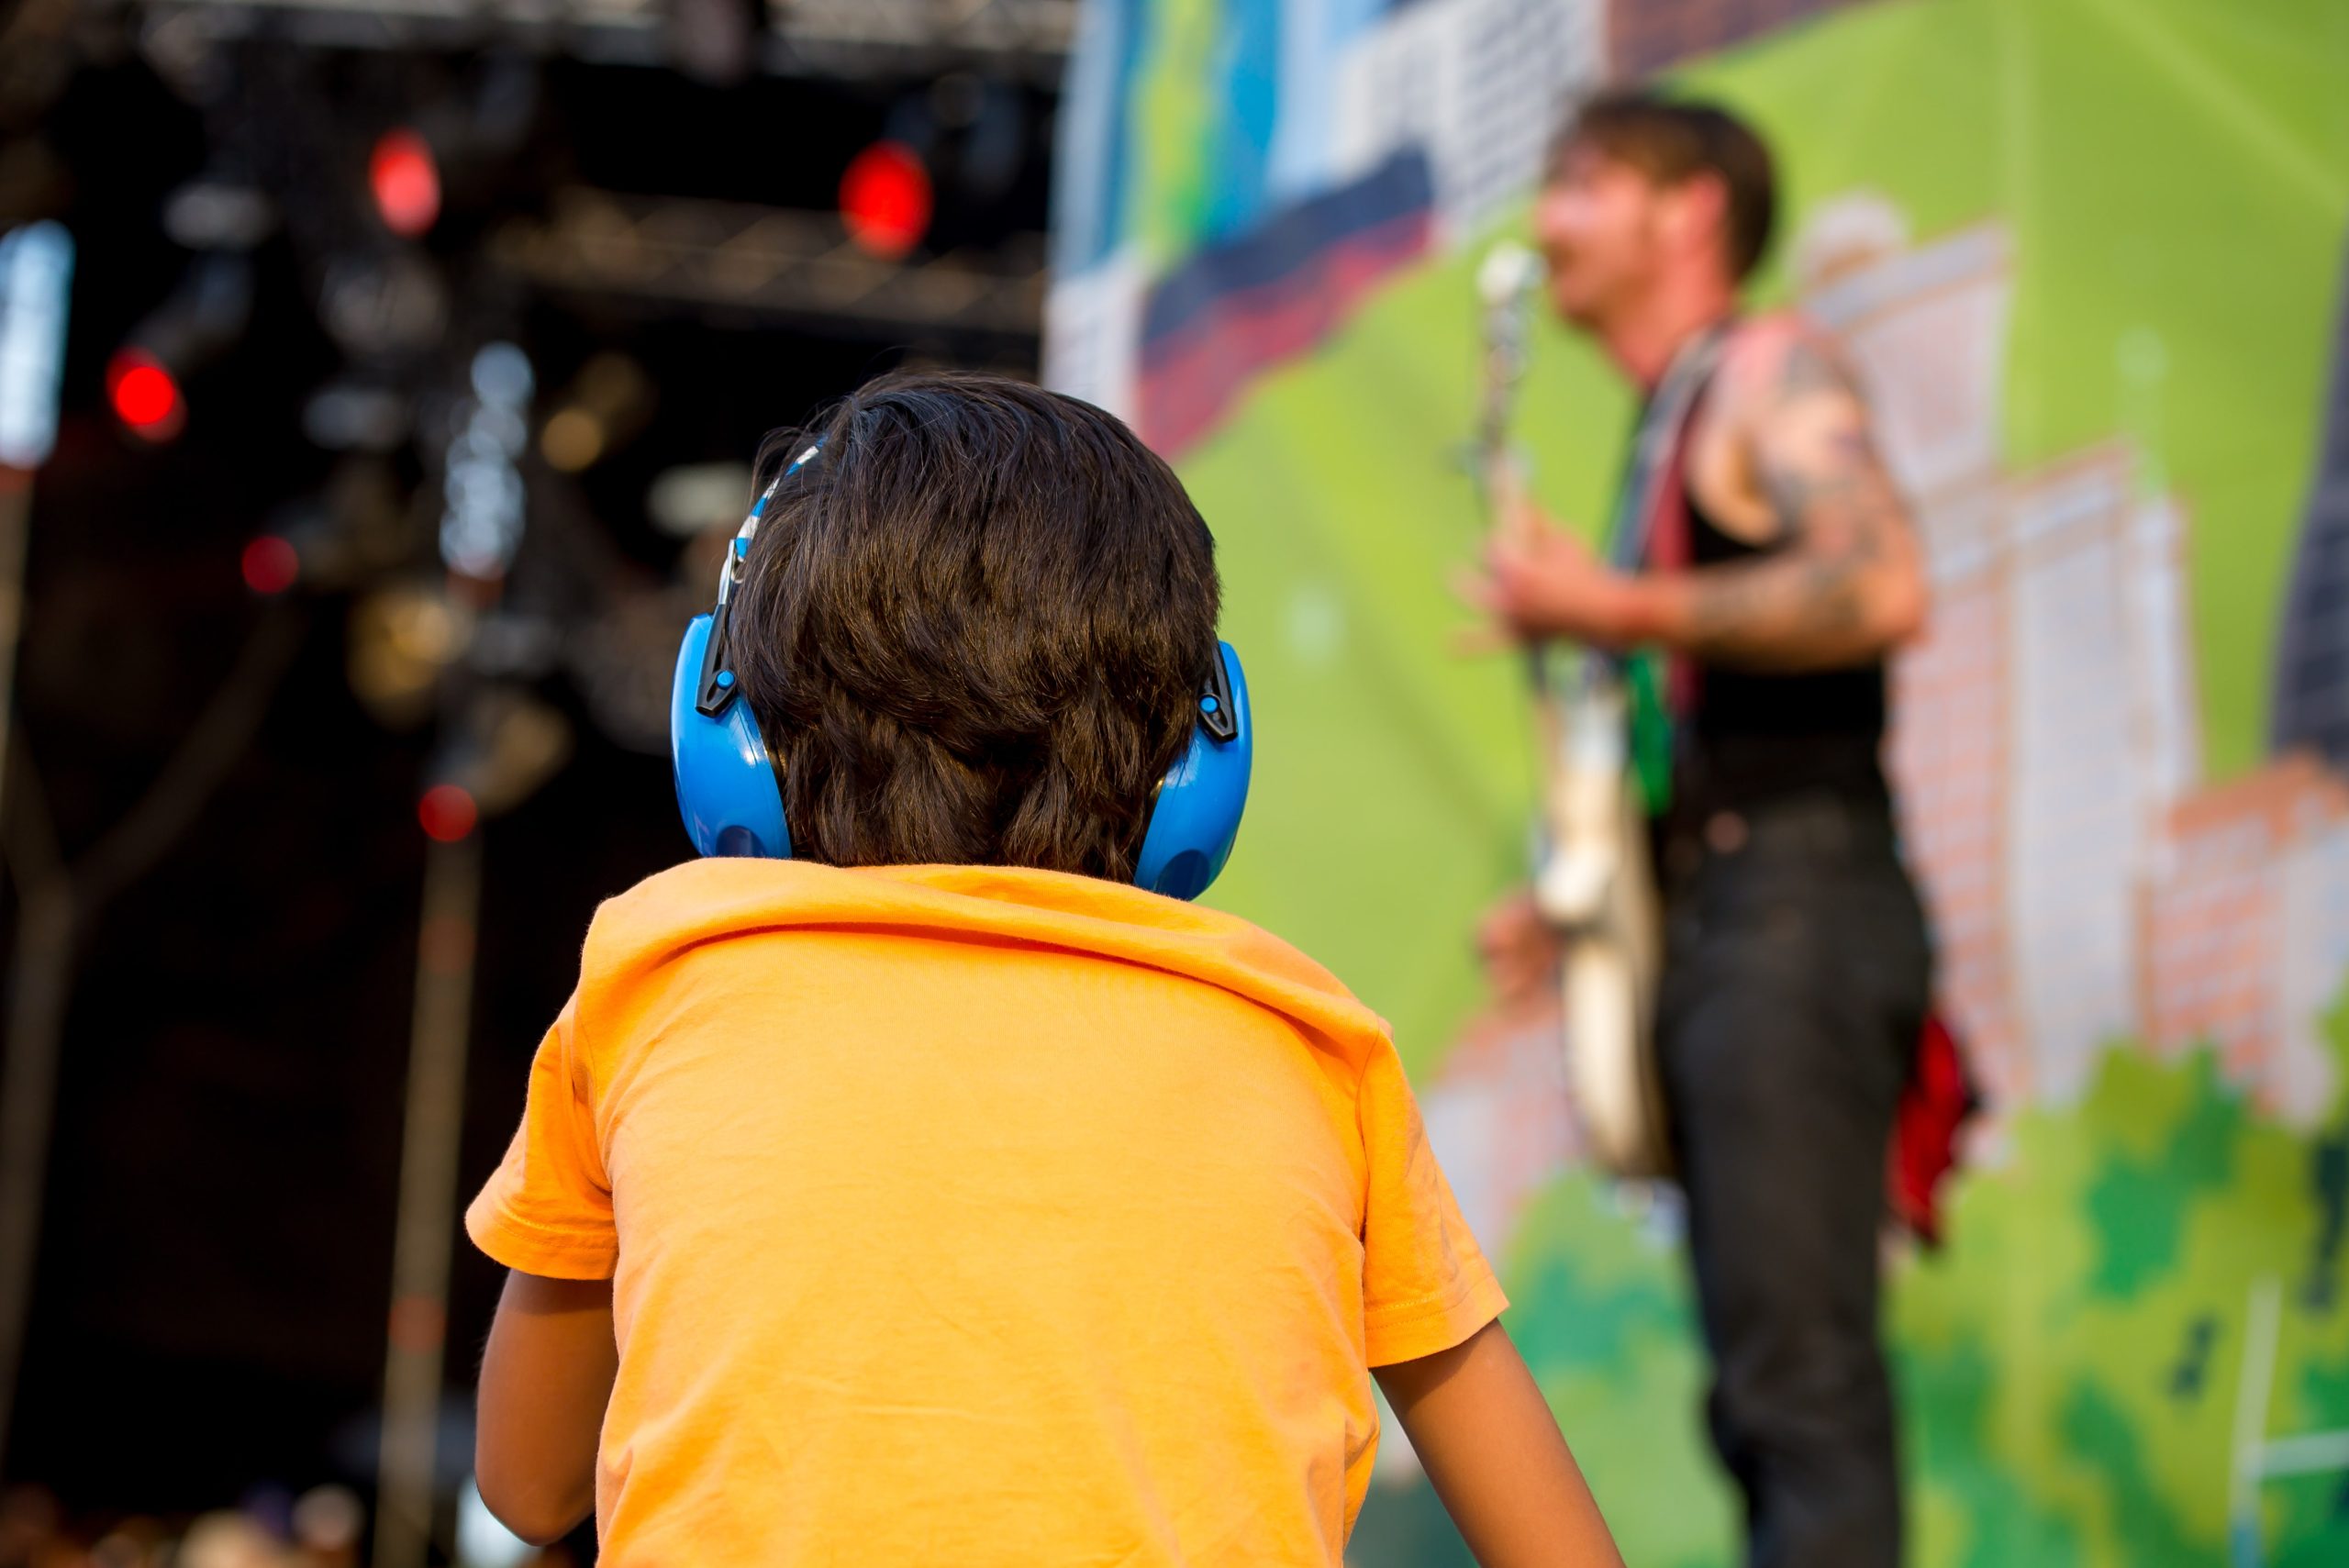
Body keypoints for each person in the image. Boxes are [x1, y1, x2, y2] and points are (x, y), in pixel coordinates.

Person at [467, 373, 1625, 1568]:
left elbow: (527, 1478)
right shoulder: (1312, 1041)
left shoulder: (659, 975)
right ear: (1202, 747)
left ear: (731, 741)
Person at [1460, 95, 1934, 1568]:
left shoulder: (1768, 367)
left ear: (1690, 214)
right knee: (1762, 1392)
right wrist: (1578, 900)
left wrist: (1614, 610)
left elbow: (1882, 582)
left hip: (1792, 907)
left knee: (1799, 1393)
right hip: (1731, 909)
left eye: (1585, 183)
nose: (1548, 222)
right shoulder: (1673, 415)